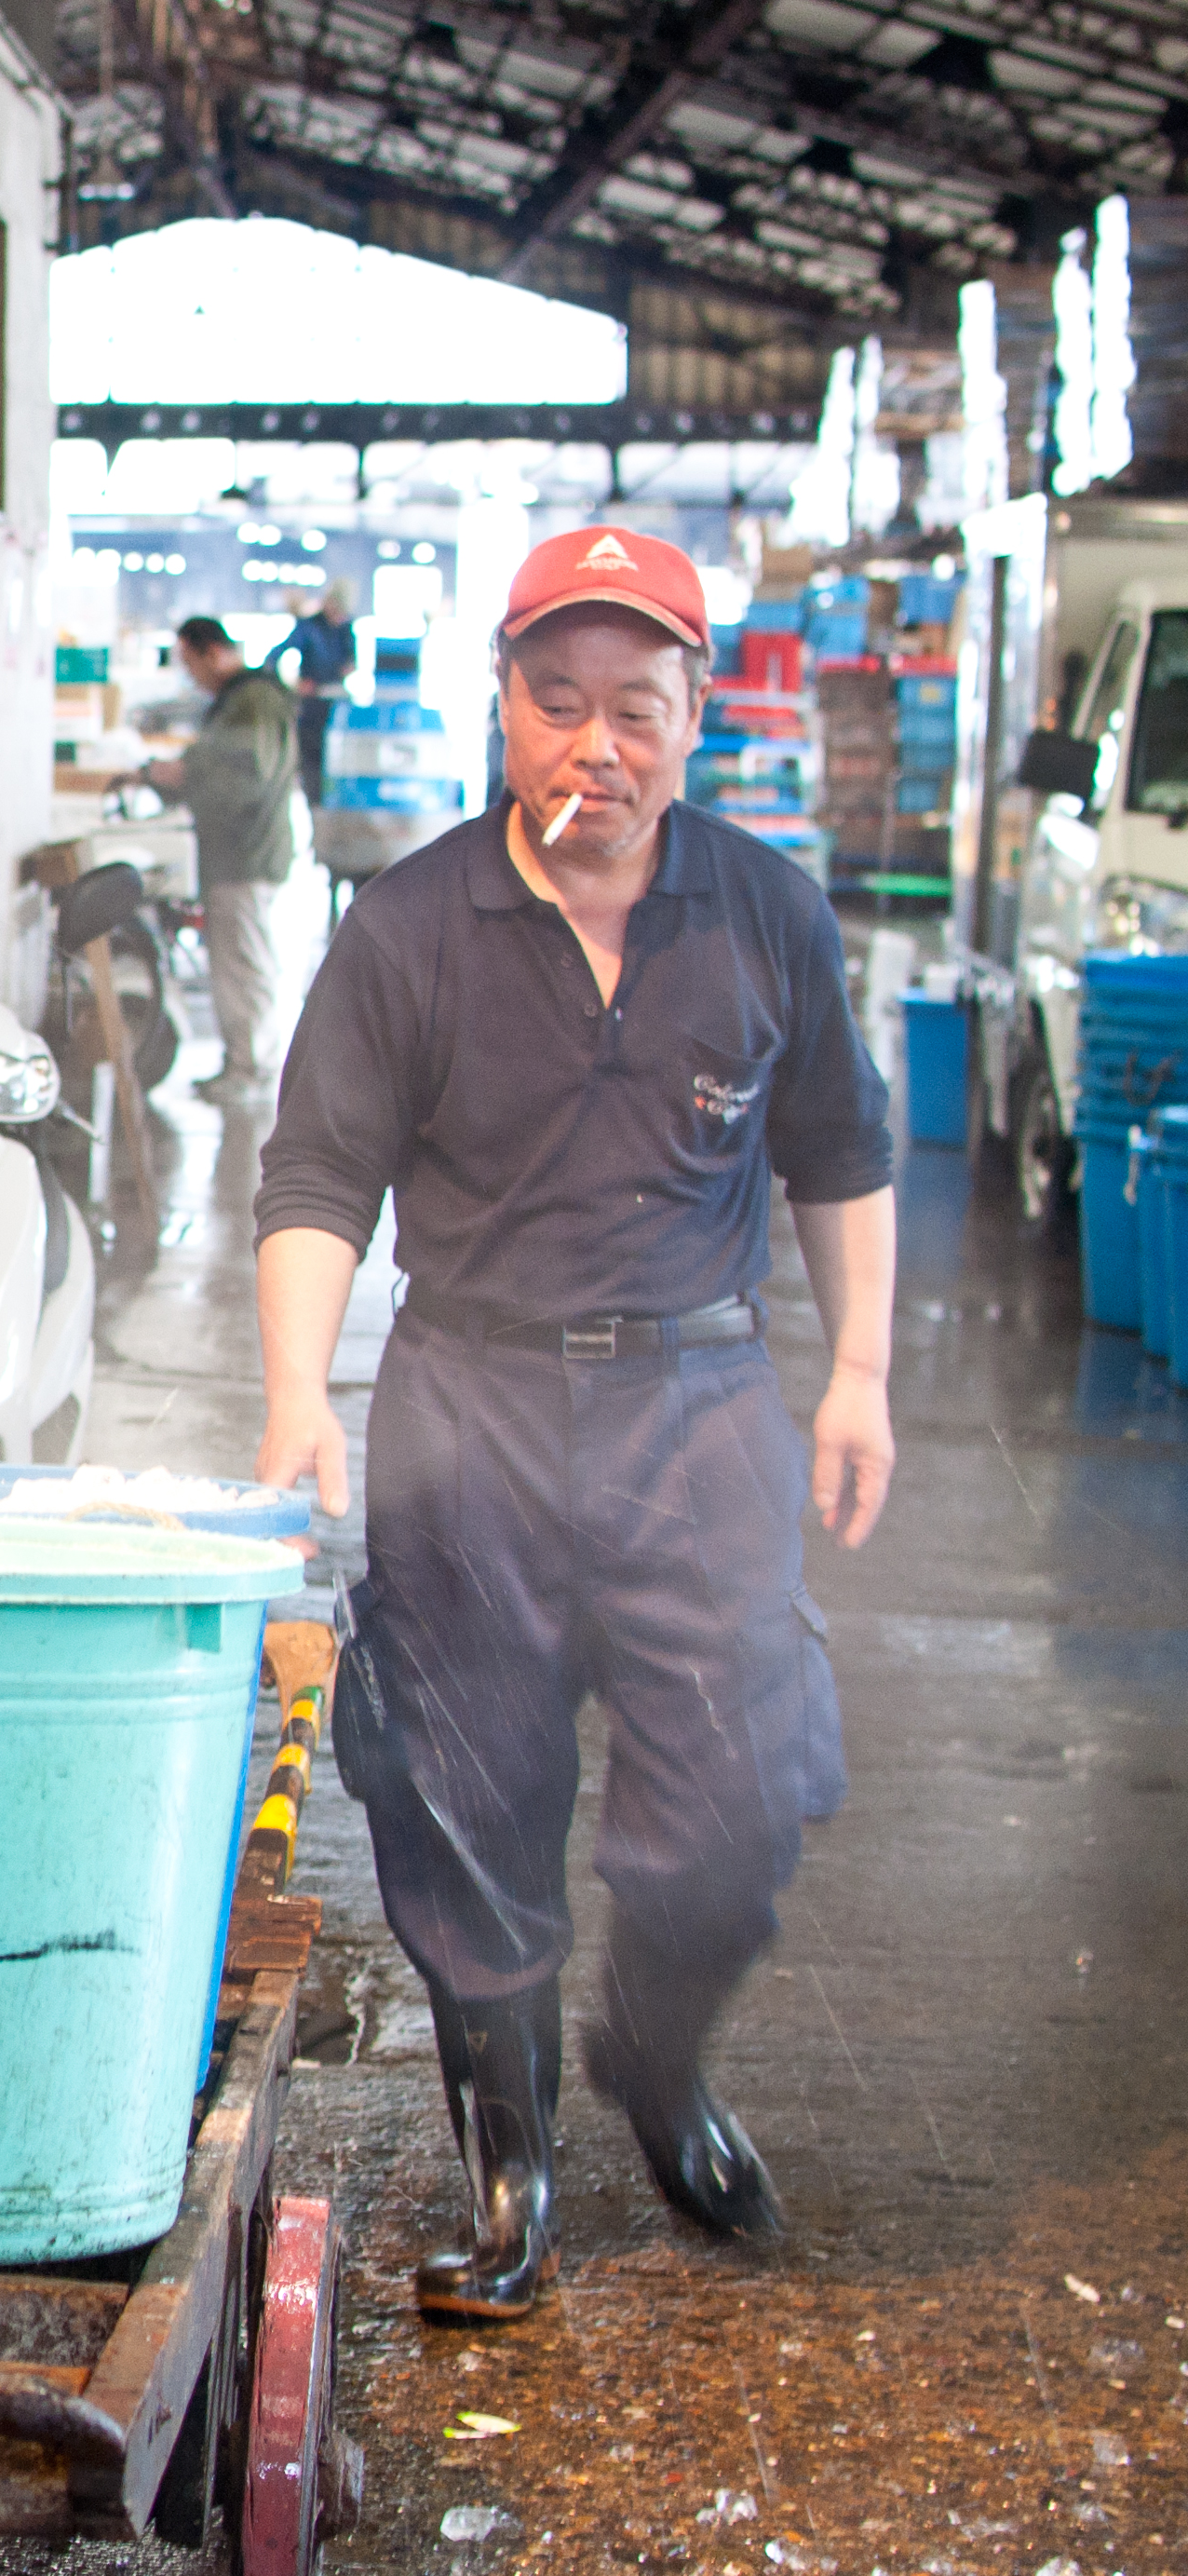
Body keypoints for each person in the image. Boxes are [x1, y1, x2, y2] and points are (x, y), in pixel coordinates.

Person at [250, 526, 898, 2325]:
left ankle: (658, 2057)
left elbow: (837, 1153)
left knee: (742, 1790)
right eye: (553, 703)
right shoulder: (407, 921)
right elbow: (314, 1173)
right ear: (503, 706)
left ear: (693, 723)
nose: (586, 747)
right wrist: (300, 1387)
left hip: (698, 1405)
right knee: (464, 1798)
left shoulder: (764, 912)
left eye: (631, 708)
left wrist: (853, 1373)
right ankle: (510, 2164)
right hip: (473, 1407)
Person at [148, 617, 300, 1103]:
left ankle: (250, 1069)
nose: (191, 678)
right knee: (239, 962)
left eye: (191, 664)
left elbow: (243, 774)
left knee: (243, 964)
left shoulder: (253, 700)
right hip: (240, 852)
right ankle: (244, 1061)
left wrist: (183, 773)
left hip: (246, 853)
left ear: (213, 651)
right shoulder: (245, 698)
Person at [287, 584, 359, 809]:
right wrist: (294, 684)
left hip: (337, 706)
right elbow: (278, 653)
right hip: (311, 708)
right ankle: (315, 805)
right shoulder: (308, 627)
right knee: (311, 761)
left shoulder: (347, 629)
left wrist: (348, 668)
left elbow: (351, 660)